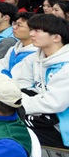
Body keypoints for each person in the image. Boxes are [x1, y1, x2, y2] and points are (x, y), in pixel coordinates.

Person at [17, 13, 69, 149]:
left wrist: (17, 104)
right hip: (41, 114)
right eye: (31, 29)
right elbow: (21, 83)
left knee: (12, 131)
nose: (31, 34)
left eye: (37, 31)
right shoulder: (34, 58)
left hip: (62, 129)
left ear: (56, 37)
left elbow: (54, 103)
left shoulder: (66, 67)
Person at [0, 12, 36, 79]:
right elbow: (0, 67)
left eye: (19, 25)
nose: (14, 27)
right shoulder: (13, 49)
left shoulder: (35, 54)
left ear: (32, 30)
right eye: (14, 24)